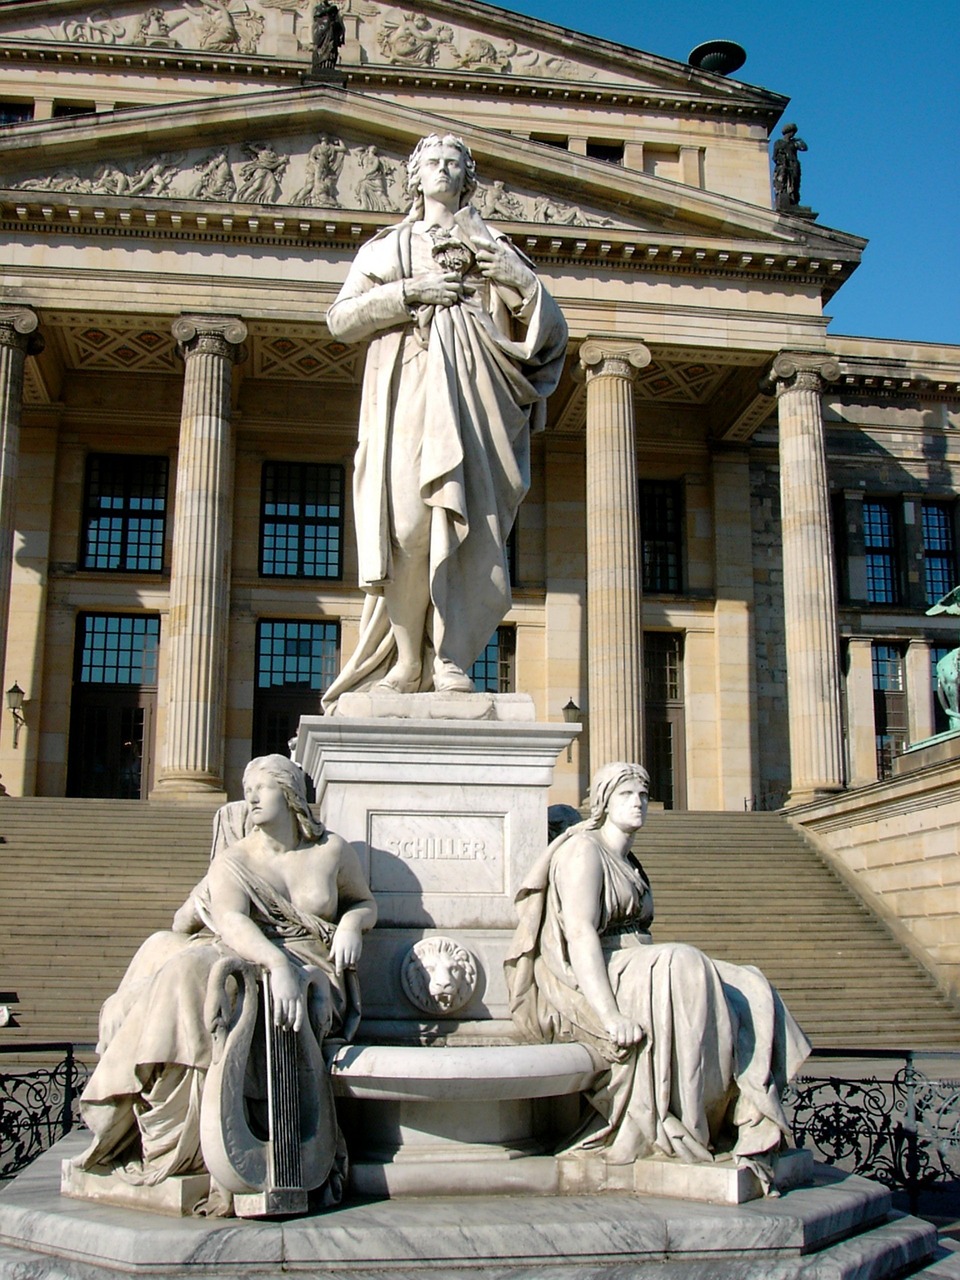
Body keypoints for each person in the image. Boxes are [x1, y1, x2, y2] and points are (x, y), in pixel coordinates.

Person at [323, 133, 567, 705]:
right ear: (415, 175)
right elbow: (340, 319)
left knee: (471, 534)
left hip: (478, 401)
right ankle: (409, 662)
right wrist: (412, 292)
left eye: (453, 162)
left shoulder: (494, 244)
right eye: (431, 162)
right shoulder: (386, 247)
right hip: (408, 391)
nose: (442, 169)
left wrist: (519, 279)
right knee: (407, 526)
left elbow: (548, 331)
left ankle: (452, 658)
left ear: (467, 176)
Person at [72, 755, 377, 1212]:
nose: (250, 796)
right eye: (246, 787)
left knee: (206, 972)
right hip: (255, 956)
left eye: (261, 787)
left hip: (317, 968)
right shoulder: (235, 860)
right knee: (192, 972)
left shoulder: (331, 850)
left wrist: (353, 925)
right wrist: (276, 965)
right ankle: (173, 1131)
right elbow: (232, 921)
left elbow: (362, 902)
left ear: (290, 793)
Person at [505, 763, 810, 1184]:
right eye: (627, 794)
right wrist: (610, 1016)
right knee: (683, 962)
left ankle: (749, 1113)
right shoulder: (584, 851)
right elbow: (579, 936)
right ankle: (689, 1121)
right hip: (603, 971)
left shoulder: (628, 859)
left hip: (641, 962)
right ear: (603, 802)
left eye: (644, 795)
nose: (639, 803)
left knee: (749, 981)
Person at [772, 122, 807, 210]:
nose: (793, 134)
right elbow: (774, 156)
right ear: (788, 132)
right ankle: (786, 200)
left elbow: (804, 148)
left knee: (795, 183)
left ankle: (794, 201)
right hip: (784, 165)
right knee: (784, 183)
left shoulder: (793, 143)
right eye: (792, 132)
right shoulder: (779, 142)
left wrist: (799, 140)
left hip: (794, 165)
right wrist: (782, 162)